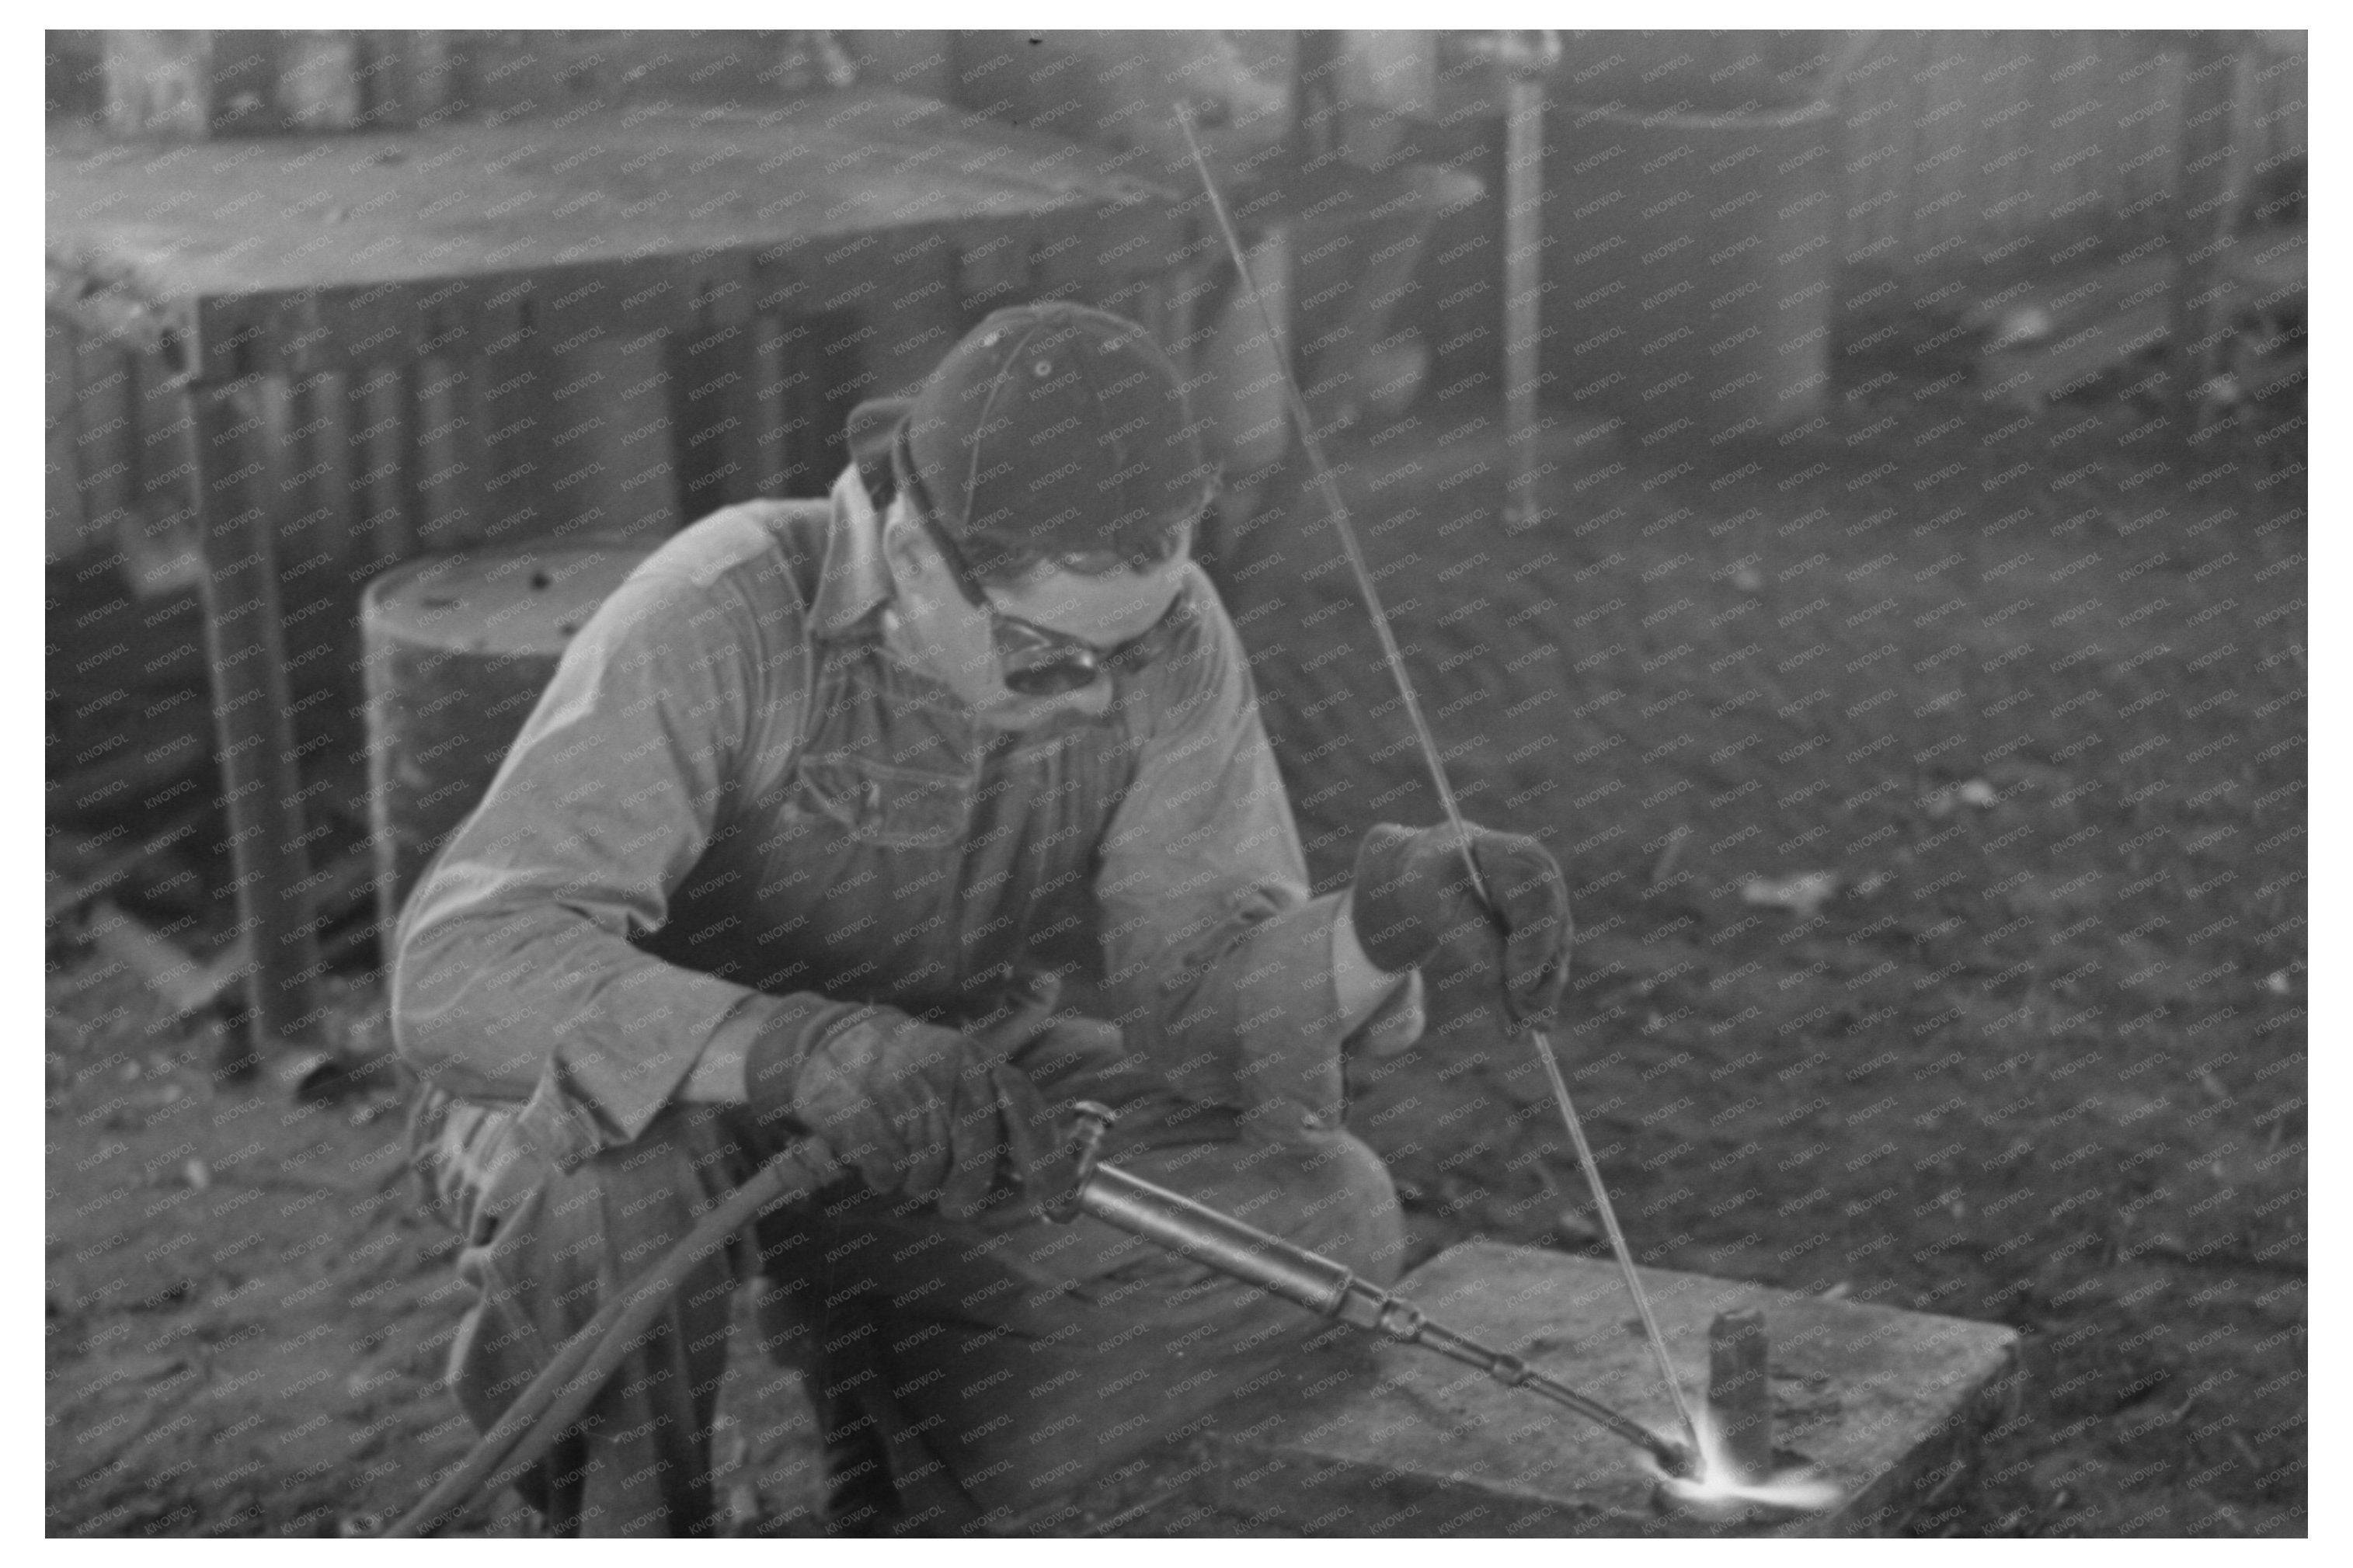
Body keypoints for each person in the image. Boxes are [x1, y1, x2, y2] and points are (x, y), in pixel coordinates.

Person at [392, 302, 1571, 1536]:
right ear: (913, 557)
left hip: (953, 1083)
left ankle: (909, 1491)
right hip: (655, 1095)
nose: (1097, 695)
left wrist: (1369, 934)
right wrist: (798, 1048)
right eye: (1051, 658)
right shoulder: (721, 607)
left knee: (1321, 1206)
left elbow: (1199, 1005)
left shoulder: (1163, 636)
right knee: (616, 1182)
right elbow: (465, 975)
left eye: (1133, 646)